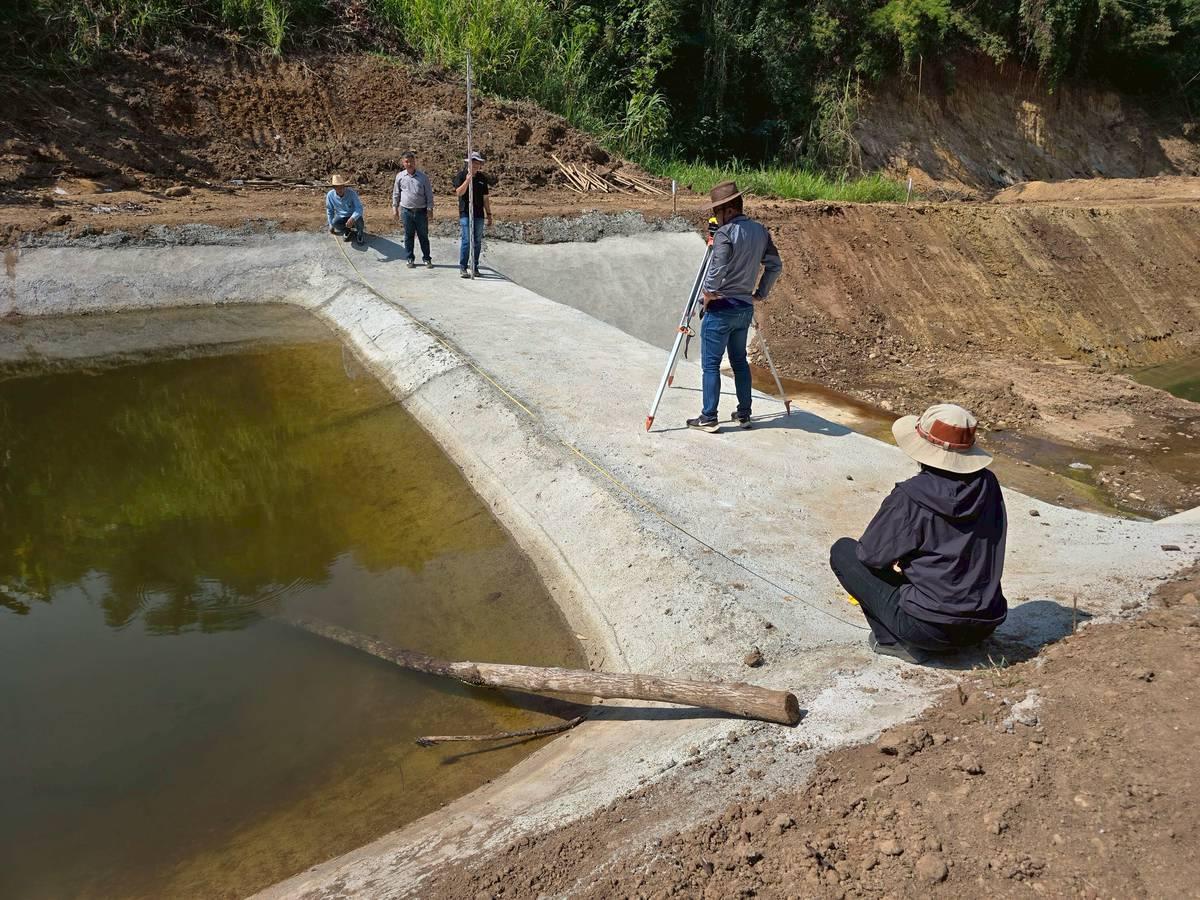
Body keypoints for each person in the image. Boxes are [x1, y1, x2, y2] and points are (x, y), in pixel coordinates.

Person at [829, 403, 1008, 664]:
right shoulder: (988, 484)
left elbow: (870, 555)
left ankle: (891, 640)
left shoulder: (911, 496)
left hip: (928, 630)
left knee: (844, 552)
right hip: (985, 622)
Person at [687, 180, 783, 433]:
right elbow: (775, 265)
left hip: (720, 309)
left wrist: (707, 293)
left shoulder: (725, 234)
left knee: (710, 364)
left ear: (728, 209)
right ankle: (744, 414)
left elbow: (717, 268)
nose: (715, 217)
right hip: (743, 308)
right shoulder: (760, 231)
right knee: (740, 362)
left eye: (717, 212)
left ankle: (709, 417)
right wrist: (759, 293)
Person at [392, 150, 435, 269]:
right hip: (406, 212)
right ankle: (409, 258)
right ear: (403, 163)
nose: (409, 164)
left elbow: (429, 194)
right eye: (406, 162)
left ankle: (427, 258)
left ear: (415, 162)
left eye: (411, 161)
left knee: (423, 236)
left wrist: (430, 208)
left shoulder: (423, 177)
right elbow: (396, 193)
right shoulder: (400, 176)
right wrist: (395, 208)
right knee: (408, 236)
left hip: (421, 211)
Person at [453, 151, 492, 278]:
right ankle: (463, 267)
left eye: (477, 164)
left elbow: (485, 198)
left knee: (477, 241)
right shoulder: (461, 175)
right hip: (465, 212)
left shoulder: (482, 178)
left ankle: (474, 266)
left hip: (479, 213)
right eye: (473, 163)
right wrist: (467, 181)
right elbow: (459, 192)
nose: (475, 166)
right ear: (468, 163)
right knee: (466, 240)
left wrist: (489, 214)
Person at [325, 174, 365, 245]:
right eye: (337, 187)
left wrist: (352, 218)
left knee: (359, 221)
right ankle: (347, 230)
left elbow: (359, 208)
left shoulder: (352, 193)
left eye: (341, 187)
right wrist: (331, 224)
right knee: (335, 223)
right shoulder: (330, 195)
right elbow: (330, 210)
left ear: (344, 186)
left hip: (353, 216)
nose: (340, 189)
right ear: (334, 188)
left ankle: (359, 232)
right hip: (342, 216)